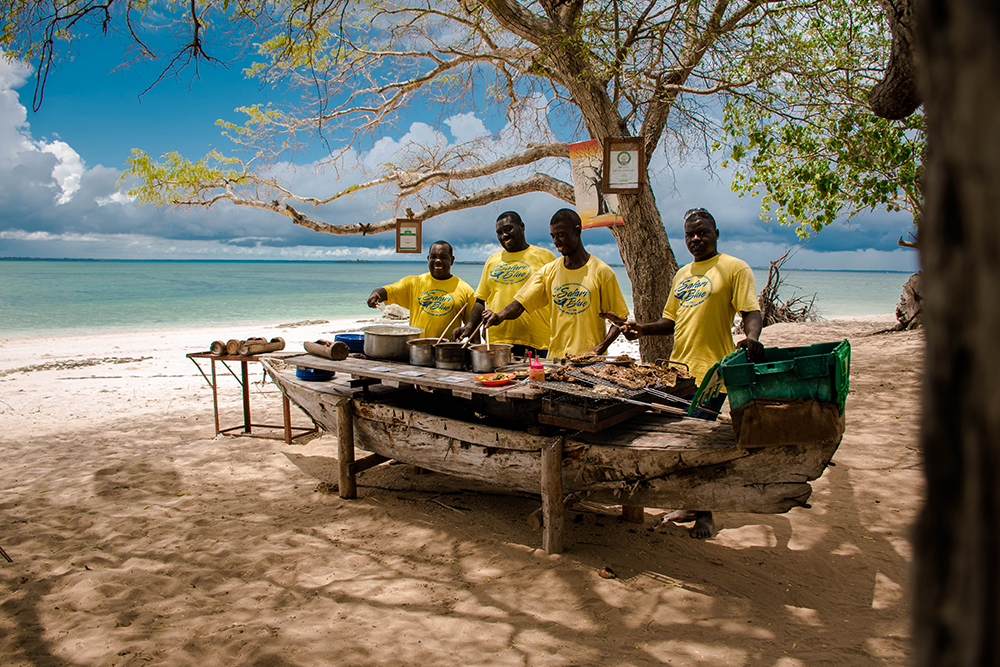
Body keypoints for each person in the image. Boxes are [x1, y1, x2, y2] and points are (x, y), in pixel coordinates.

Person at [621, 207, 764, 539]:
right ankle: (690, 503)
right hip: (679, 371)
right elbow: (670, 322)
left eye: (702, 232)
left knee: (697, 441)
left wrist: (753, 338)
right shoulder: (682, 274)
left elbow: (750, 311)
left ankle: (706, 514)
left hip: (714, 372)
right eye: (690, 234)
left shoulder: (734, 268)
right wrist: (640, 328)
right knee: (679, 440)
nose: (696, 238)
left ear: (716, 234)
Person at [482, 208, 629, 359]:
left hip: (591, 361)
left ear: (577, 231)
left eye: (561, 235)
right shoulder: (548, 271)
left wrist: (599, 348)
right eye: (553, 236)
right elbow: (520, 304)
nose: (556, 242)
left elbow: (619, 320)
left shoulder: (602, 272)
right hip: (556, 360)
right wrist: (500, 315)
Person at [452, 211, 556, 357]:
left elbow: (556, 297)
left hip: (537, 341)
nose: (504, 235)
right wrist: (468, 327)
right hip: (498, 341)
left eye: (508, 229)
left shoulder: (546, 256)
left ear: (522, 227)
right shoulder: (492, 260)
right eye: (499, 232)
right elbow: (481, 299)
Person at [366, 240, 475, 340]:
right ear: (428, 259)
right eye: (433, 257)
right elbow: (387, 291)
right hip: (417, 349)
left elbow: (473, 327)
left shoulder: (465, 290)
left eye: (443, 257)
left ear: (452, 260)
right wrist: (376, 294)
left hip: (447, 352)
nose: (438, 261)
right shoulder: (413, 283)